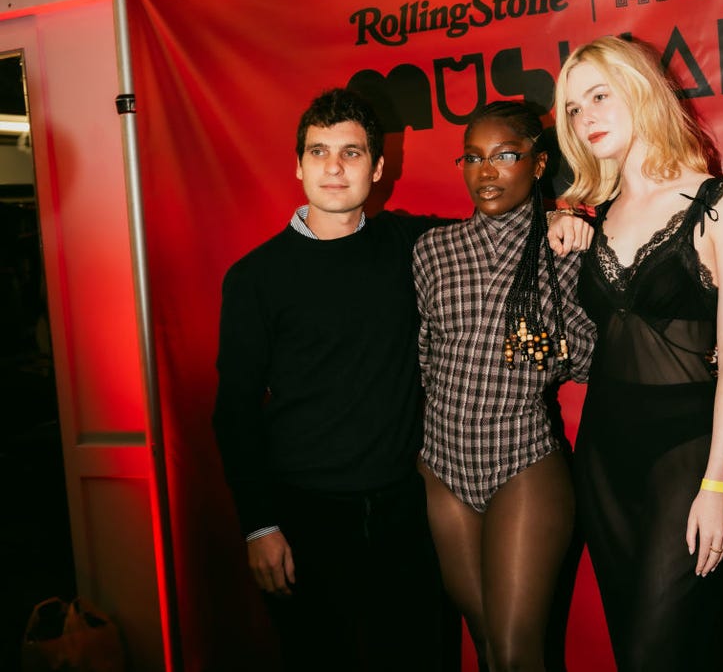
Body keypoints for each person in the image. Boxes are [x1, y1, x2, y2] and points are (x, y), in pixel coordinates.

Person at [212, 88, 593, 671]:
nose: (334, 167)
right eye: (318, 152)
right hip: (307, 515)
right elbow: (234, 411)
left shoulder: (410, 245)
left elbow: (497, 226)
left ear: (378, 167)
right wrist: (258, 524)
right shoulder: (255, 278)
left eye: (351, 152)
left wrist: (563, 217)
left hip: (404, 509)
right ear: (297, 163)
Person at [553, 36, 723, 671]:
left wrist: (718, 483)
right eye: (571, 109)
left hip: (688, 454)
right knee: (638, 651)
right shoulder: (595, 213)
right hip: (602, 455)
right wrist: (556, 219)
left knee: (659, 652)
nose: (584, 117)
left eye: (598, 96)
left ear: (641, 90)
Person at [412, 101, 596, 672]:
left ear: (538, 165)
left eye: (504, 156)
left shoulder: (569, 245)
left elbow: (598, 362)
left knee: (518, 653)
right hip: (441, 466)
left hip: (523, 458)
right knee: (489, 643)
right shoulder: (431, 252)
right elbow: (423, 358)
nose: (485, 172)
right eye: (472, 158)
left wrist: (552, 343)